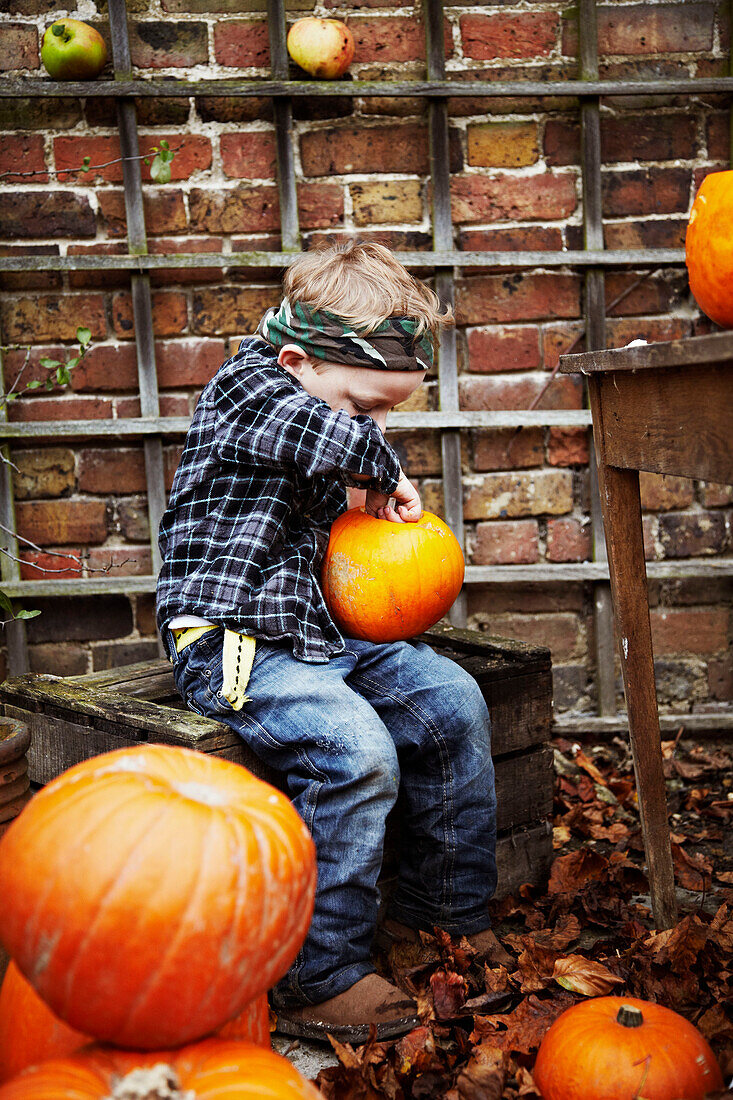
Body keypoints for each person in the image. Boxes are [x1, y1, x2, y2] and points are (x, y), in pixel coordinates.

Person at [156, 239, 509, 1044]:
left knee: (452, 702)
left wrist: (366, 467)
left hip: (315, 631)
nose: (377, 427)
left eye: (391, 411)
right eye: (367, 406)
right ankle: (319, 975)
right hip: (231, 639)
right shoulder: (248, 389)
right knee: (355, 752)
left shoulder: (324, 412)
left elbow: (333, 435)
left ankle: (441, 913)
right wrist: (382, 468)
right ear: (295, 360)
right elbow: (316, 432)